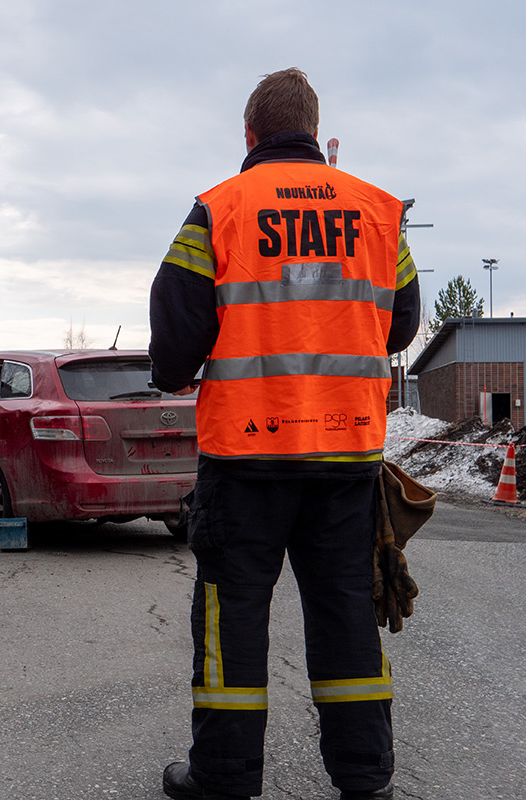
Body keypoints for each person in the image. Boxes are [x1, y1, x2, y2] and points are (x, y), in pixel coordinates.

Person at [148, 68, 420, 800]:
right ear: (312, 127)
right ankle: (367, 780)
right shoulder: (378, 213)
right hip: (344, 456)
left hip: (245, 460)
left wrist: (182, 368)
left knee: (232, 615)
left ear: (249, 134)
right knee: (345, 615)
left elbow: (176, 341)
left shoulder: (218, 211)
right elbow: (401, 324)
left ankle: (224, 780)